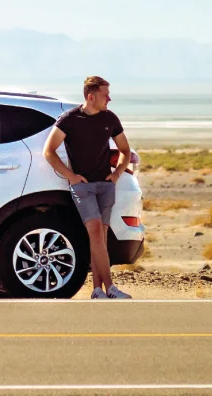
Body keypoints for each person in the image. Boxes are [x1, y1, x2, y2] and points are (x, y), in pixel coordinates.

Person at [43, 76, 133, 299]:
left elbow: (125, 150)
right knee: (95, 233)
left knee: (100, 237)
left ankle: (96, 290)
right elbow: (49, 151)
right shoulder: (69, 119)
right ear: (91, 96)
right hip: (83, 188)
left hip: (106, 185)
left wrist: (116, 174)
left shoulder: (110, 118)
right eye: (105, 95)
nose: (109, 99)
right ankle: (110, 288)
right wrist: (71, 176)